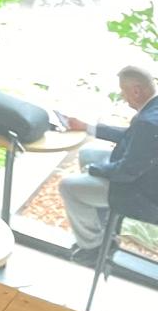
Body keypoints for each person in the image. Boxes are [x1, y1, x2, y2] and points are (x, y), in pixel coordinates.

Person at [61, 64, 158, 262]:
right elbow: (130, 136)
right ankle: (102, 226)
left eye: (123, 90)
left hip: (143, 195)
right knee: (87, 153)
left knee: (68, 186)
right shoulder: (152, 111)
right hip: (143, 175)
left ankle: (93, 247)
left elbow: (126, 172)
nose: (122, 96)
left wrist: (95, 170)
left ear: (136, 91)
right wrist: (87, 127)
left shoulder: (148, 123)